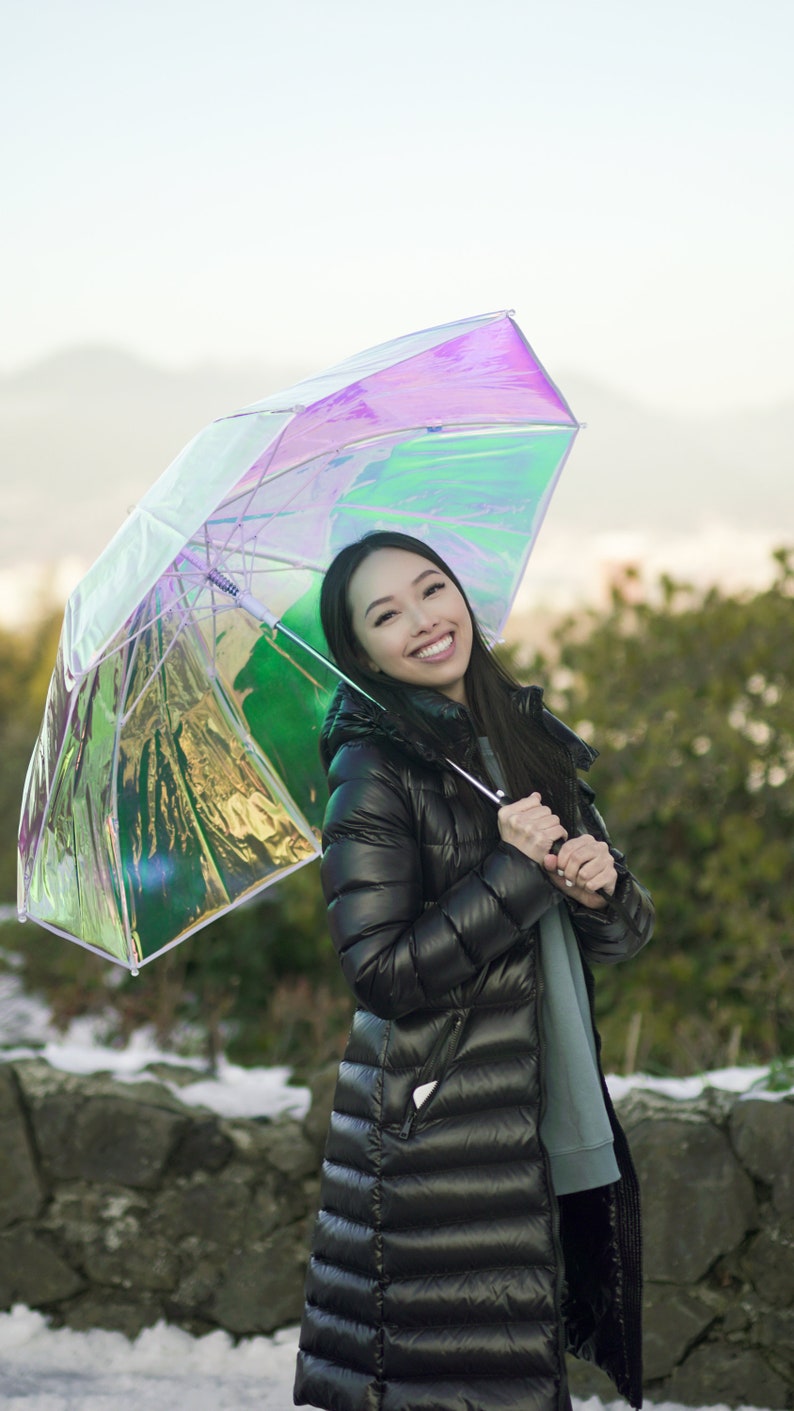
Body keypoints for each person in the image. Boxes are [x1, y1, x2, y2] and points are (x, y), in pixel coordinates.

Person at [293, 531, 654, 1411]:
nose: (422, 621)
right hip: (444, 1140)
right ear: (360, 651)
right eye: (386, 615)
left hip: (549, 1114)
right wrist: (519, 873)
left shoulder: (527, 736)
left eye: (431, 589)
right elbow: (380, 972)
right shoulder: (371, 770)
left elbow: (611, 941)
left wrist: (602, 891)